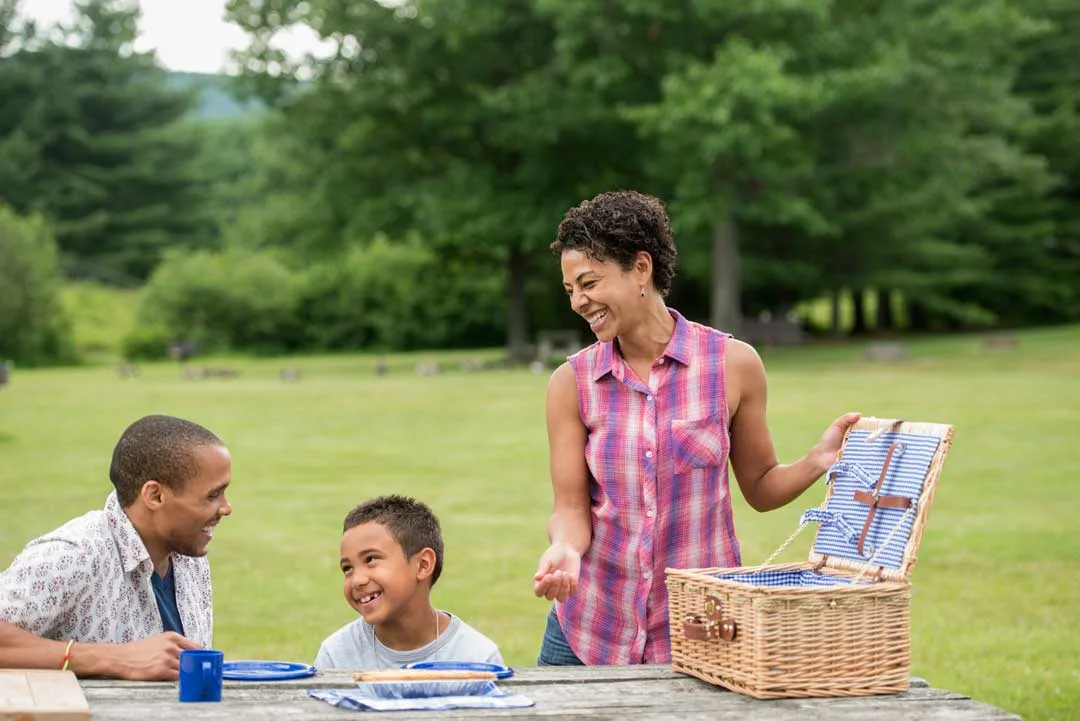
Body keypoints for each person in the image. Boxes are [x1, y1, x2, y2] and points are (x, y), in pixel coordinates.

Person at [532, 190, 861, 666]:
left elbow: (761, 487)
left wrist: (816, 461)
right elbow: (570, 506)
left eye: (589, 283)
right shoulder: (571, 383)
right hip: (591, 630)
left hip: (702, 629)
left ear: (641, 268)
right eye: (570, 291)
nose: (579, 302)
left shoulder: (733, 364)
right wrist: (565, 548)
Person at [0, 414, 233, 679]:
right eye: (213, 495)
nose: (226, 508)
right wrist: (111, 657)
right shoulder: (74, 555)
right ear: (155, 496)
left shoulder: (189, 553)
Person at [315, 495, 504, 669]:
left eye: (371, 559)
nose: (357, 580)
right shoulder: (336, 656)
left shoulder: (477, 657)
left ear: (423, 565)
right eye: (347, 568)